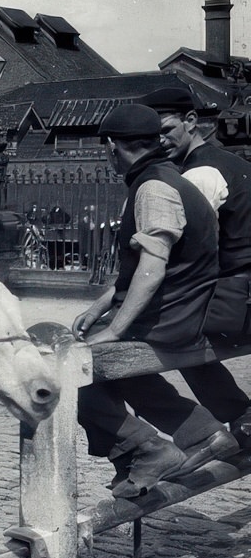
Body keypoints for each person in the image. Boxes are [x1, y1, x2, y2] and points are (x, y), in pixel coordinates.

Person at [73, 104, 237, 498]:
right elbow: (140, 269)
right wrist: (99, 307)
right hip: (180, 308)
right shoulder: (166, 178)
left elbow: (154, 267)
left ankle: (144, 449)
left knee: (68, 365)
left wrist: (114, 329)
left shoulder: (152, 188)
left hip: (174, 315)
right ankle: (196, 433)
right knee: (96, 353)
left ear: (113, 147)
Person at [142, 86, 251, 443]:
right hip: (241, 291)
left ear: (191, 121)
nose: (159, 141)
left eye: (165, 130)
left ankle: (222, 422)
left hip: (237, 299)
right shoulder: (232, 163)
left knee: (161, 339)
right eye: (151, 135)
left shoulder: (201, 174)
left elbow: (186, 249)